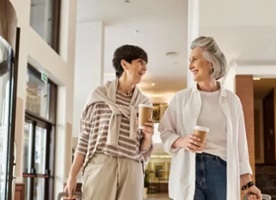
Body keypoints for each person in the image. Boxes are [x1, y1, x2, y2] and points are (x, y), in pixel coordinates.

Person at [158, 36, 262, 200]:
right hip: (188, 168)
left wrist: (248, 184)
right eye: (189, 60)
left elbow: (240, 144)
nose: (190, 65)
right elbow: (164, 131)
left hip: (220, 171)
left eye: (195, 59)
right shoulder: (181, 99)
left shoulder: (232, 101)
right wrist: (182, 141)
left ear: (211, 62)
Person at [65, 44, 154, 200]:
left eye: (146, 63)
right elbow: (84, 140)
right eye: (140, 61)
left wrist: (147, 136)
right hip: (101, 164)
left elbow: (142, 149)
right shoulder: (99, 96)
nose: (144, 67)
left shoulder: (144, 102)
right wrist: (72, 176)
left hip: (132, 167)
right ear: (124, 64)